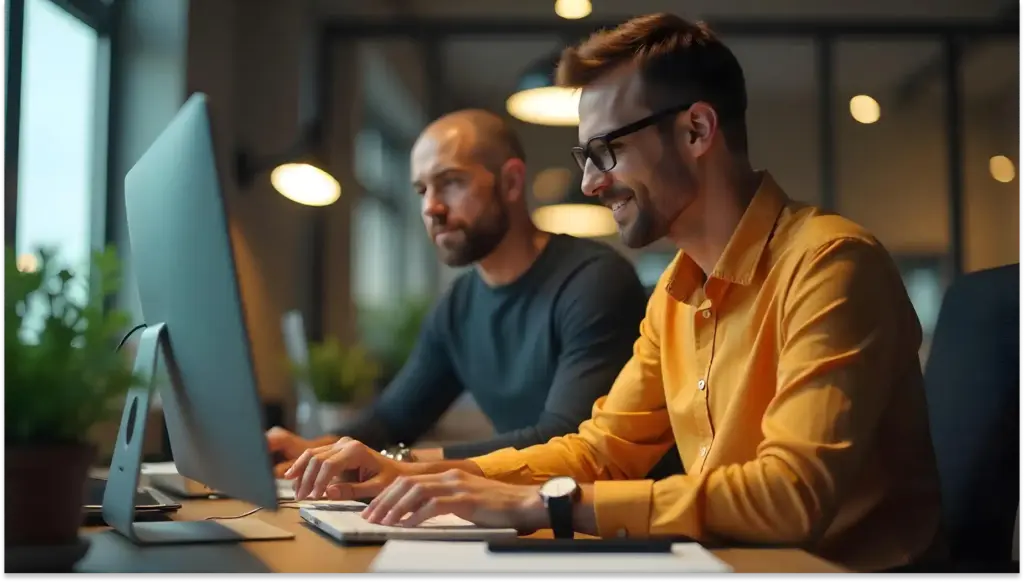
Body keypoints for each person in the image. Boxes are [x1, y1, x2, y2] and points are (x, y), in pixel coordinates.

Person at [285, 14, 943, 573]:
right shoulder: (676, 295)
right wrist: (416, 477)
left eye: (605, 152)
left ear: (695, 130)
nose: (593, 184)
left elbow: (791, 496)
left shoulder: (829, 264)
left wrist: (548, 505)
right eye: (585, 160)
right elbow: (601, 450)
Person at [267, 108, 658, 473]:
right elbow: (391, 419)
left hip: (622, 527)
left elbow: (565, 438)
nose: (431, 208)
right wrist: (311, 450)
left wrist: (398, 463)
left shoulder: (594, 282)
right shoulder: (458, 306)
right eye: (421, 191)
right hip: (530, 514)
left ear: (511, 182)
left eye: (451, 182)